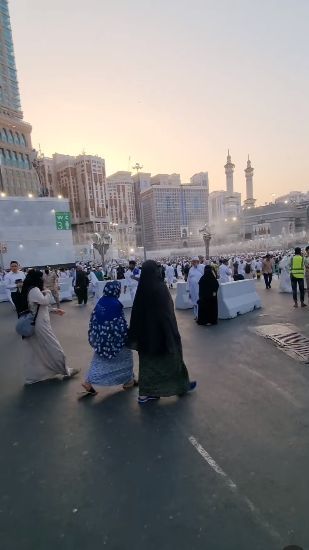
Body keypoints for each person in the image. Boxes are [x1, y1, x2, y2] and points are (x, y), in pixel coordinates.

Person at [128, 260, 196, 404]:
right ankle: (181, 385)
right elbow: (166, 313)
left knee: (148, 366)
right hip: (162, 334)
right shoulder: (159, 288)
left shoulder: (142, 289)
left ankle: (146, 393)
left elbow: (136, 315)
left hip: (146, 337)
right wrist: (171, 332)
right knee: (172, 360)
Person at [19, 269, 79, 385]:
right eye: (41, 277)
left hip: (38, 323)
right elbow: (45, 301)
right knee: (54, 347)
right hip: (41, 324)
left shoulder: (30, 289)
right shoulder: (34, 290)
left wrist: (55, 310)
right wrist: (48, 292)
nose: (43, 279)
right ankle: (65, 370)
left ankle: (38, 375)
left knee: (39, 351)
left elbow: (39, 306)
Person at [81, 281, 136, 395]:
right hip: (115, 340)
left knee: (99, 360)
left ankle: (88, 382)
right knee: (127, 358)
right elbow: (118, 324)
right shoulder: (116, 304)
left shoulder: (101, 301)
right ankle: (128, 382)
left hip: (101, 340)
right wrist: (127, 333)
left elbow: (93, 320)